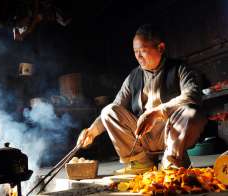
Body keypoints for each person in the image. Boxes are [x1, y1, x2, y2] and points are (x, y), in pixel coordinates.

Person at [76, 24, 207, 174]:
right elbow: (115, 106)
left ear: (161, 48)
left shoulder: (180, 68)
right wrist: (92, 131)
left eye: (143, 51)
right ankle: (140, 162)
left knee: (191, 113)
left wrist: (158, 112)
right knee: (108, 111)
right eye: (135, 52)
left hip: (171, 132)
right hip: (142, 136)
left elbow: (193, 95)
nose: (138, 56)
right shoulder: (133, 77)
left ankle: (172, 161)